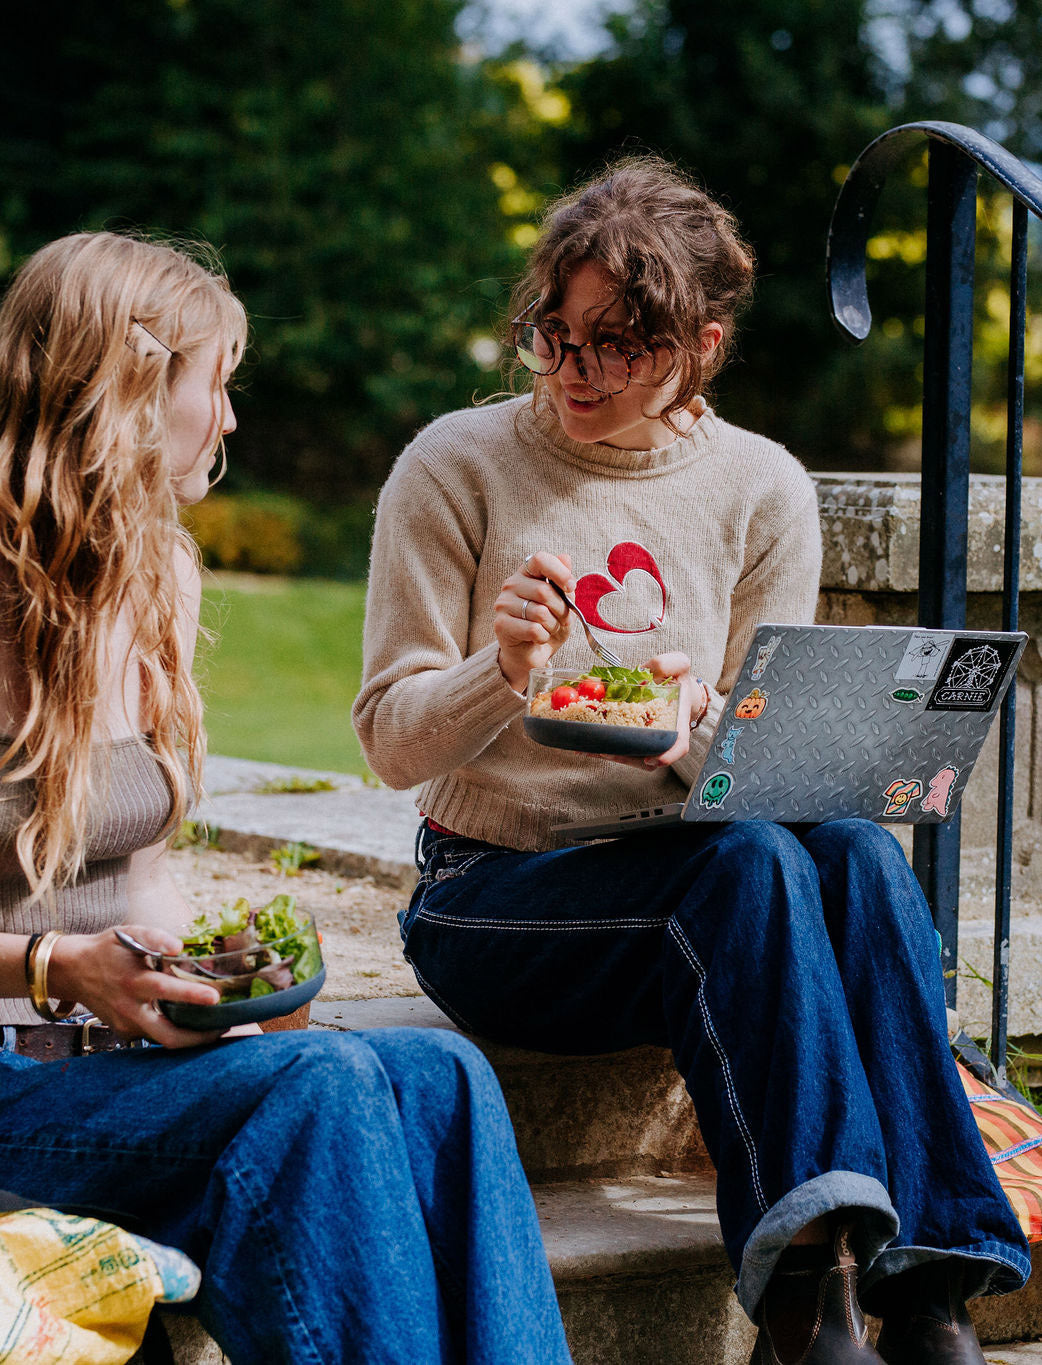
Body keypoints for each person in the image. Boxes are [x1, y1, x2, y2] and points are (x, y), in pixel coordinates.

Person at [353, 156, 1030, 1365]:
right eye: (554, 337)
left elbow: (762, 774)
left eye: (618, 345)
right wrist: (498, 673)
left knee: (857, 854)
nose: (574, 373)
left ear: (699, 346)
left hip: (705, 872)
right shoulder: (453, 465)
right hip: (492, 895)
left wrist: (703, 734)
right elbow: (389, 742)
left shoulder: (760, 486)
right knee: (753, 870)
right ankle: (800, 1299)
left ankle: (929, 1291)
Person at [0, 231, 572, 1365]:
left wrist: (220, 985)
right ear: (122, 395)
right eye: (214, 386)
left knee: (438, 1077)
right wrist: (62, 972)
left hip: (119, 1077)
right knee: (318, 1093)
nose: (227, 420)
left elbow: (137, 875)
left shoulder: (153, 576)